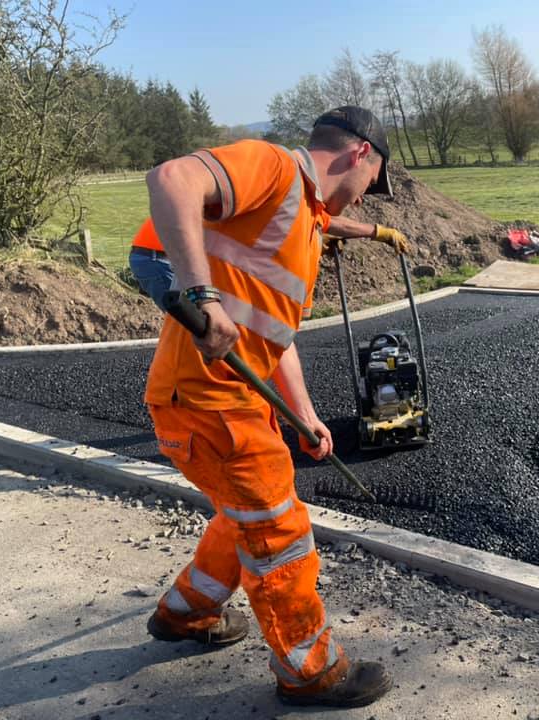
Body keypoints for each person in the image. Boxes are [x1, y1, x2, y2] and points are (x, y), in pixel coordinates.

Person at [142, 106, 406, 708]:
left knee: (247, 516)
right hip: (208, 403)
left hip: (230, 402)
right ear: (359, 154)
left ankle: (187, 613)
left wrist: (303, 415)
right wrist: (198, 293)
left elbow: (274, 335)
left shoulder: (305, 224)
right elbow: (171, 178)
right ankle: (311, 671)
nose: (366, 199)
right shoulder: (274, 167)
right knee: (280, 533)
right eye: (373, 182)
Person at [128, 212, 406, 313]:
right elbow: (331, 222)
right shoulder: (267, 200)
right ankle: (194, 400)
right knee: (199, 324)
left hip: (171, 256)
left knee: (210, 321)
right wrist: (377, 231)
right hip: (157, 258)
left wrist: (315, 245)